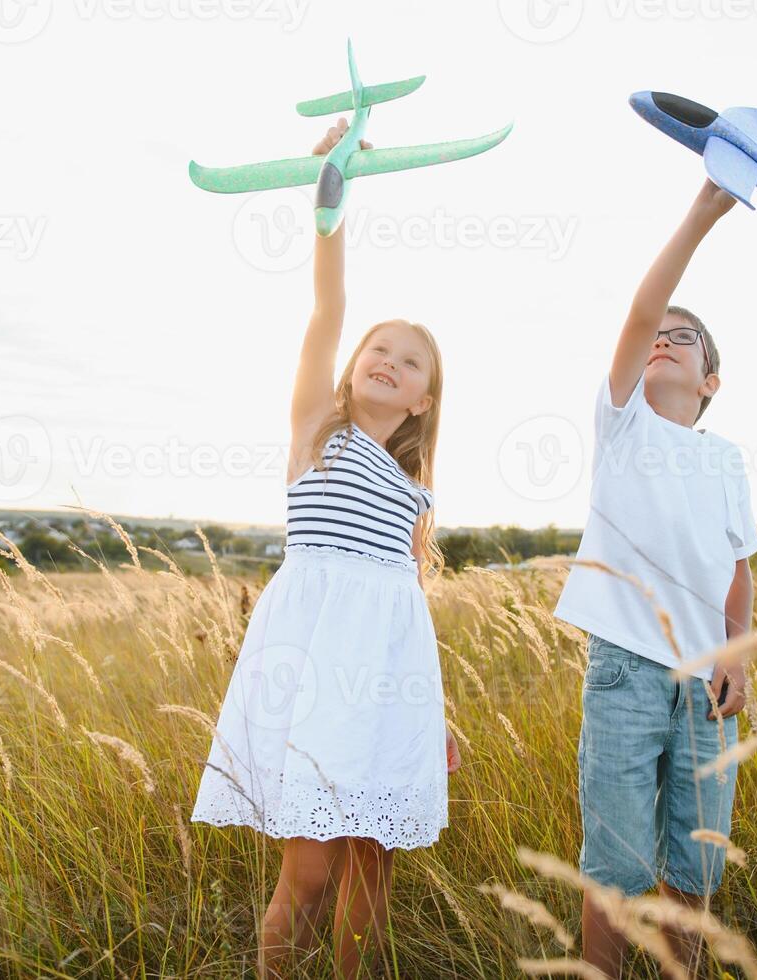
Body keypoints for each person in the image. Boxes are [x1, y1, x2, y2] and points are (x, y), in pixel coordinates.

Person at [190, 118, 462, 979]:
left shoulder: (418, 494)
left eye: (410, 361)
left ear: (423, 401)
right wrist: (330, 200)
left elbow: (407, 609)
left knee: (372, 867)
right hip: (313, 676)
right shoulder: (317, 432)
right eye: (378, 351)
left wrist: (434, 714)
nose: (389, 360)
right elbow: (327, 308)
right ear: (349, 371)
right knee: (307, 869)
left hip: (387, 682)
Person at [552, 178, 757, 978]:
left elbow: (737, 571)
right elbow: (643, 310)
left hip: (708, 679)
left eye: (686, 341)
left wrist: (736, 655)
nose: (664, 341)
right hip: (626, 672)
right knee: (613, 864)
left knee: (695, 860)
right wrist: (702, 214)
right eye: (656, 338)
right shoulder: (622, 424)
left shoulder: (724, 459)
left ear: (710, 382)